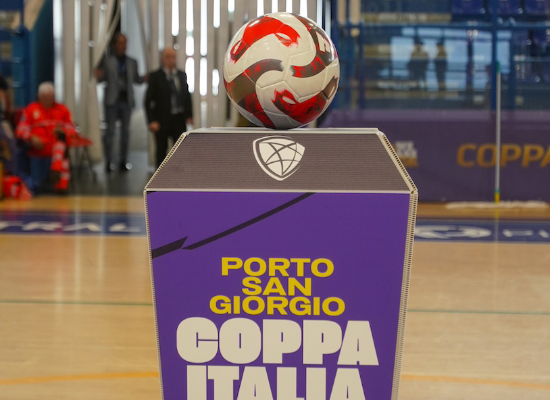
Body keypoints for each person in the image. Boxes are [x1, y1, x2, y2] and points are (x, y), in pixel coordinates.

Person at [95, 33, 146, 172]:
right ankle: (108, 161)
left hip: (126, 101)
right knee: (110, 132)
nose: (123, 46)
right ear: (115, 44)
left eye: (125, 43)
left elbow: (136, 79)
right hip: (112, 101)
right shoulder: (107, 61)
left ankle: (123, 160)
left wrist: (145, 78)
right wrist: (98, 75)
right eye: (120, 43)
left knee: (126, 133)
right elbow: (101, 79)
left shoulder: (132, 62)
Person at [15, 82, 75, 194]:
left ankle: (59, 179)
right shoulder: (30, 110)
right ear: (38, 96)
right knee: (62, 157)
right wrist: (31, 137)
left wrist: (63, 131)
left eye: (50, 97)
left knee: (61, 149)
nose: (48, 101)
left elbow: (71, 129)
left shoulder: (63, 110)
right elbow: (20, 130)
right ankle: (57, 177)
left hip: (57, 148)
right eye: (45, 98)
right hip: (38, 149)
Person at [145, 47, 193, 168]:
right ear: (162, 59)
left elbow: (187, 96)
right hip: (162, 119)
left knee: (180, 150)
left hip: (179, 118)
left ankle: (178, 175)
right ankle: (160, 176)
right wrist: (151, 120)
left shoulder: (181, 75)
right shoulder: (155, 76)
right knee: (161, 150)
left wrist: (189, 115)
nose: (171, 60)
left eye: (173, 57)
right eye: (167, 57)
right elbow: (147, 101)